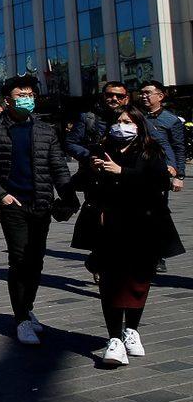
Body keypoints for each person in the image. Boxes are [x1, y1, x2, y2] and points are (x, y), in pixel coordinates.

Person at [70, 105, 184, 366]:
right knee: (110, 281)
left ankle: (132, 329)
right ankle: (114, 339)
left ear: (138, 125)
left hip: (143, 226)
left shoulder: (151, 150)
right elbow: (81, 182)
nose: (122, 125)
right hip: (108, 224)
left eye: (128, 121)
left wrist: (123, 173)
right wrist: (92, 168)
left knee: (138, 279)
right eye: (118, 121)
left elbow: (159, 184)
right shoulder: (101, 149)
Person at [0, 74, 71, 345]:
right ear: (7, 100)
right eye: (21, 96)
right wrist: (1, 195)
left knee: (36, 261)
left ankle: (27, 307)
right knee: (19, 259)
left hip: (41, 202)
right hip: (13, 204)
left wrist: (68, 194)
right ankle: (21, 319)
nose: (27, 100)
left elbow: (58, 167)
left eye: (30, 96)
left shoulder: (45, 130)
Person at [139, 81, 185, 272]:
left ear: (160, 96)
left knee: (156, 213)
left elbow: (179, 147)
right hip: (138, 171)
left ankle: (158, 256)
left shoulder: (171, 120)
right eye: (141, 93)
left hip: (161, 173)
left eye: (148, 93)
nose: (144, 96)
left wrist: (179, 174)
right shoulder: (136, 116)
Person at [66, 81, 132, 167]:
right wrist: (90, 156)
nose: (114, 98)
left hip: (125, 171)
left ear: (126, 99)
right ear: (103, 96)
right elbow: (70, 143)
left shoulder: (135, 117)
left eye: (120, 96)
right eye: (109, 95)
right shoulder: (88, 118)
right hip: (95, 172)